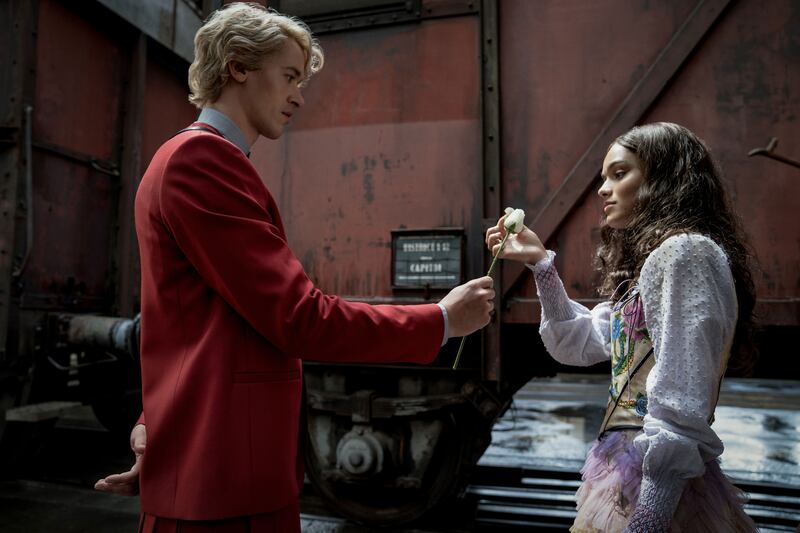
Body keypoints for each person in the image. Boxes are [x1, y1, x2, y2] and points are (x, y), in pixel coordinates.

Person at [94, 3, 495, 532]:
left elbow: (184, 323)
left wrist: (156, 420)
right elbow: (299, 318)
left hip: (216, 470)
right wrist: (441, 321)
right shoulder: (203, 162)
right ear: (238, 66)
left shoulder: (190, 159)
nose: (299, 96)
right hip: (225, 484)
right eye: (288, 77)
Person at [485, 122, 758, 532]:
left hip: (654, 482)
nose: (602, 189)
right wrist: (541, 266)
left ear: (664, 180)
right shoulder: (662, 259)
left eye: (619, 173)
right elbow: (579, 343)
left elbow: (682, 403)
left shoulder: (685, 253)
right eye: (603, 177)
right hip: (630, 470)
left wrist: (646, 522)